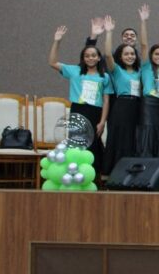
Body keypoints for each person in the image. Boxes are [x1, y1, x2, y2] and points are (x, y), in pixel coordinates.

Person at [48, 26, 112, 174]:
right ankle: (74, 173)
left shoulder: (105, 77)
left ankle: (93, 176)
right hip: (78, 109)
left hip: (96, 112)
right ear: (83, 58)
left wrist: (102, 122)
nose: (90, 58)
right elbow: (52, 62)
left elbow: (107, 101)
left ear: (98, 58)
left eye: (93, 55)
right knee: (77, 143)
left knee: (94, 144)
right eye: (87, 56)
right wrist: (57, 41)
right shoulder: (75, 71)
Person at [101, 15, 142, 175]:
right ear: (121, 56)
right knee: (118, 138)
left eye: (132, 54)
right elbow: (108, 55)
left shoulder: (139, 71)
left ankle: (129, 172)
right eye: (126, 54)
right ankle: (112, 172)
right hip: (121, 107)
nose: (130, 56)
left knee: (132, 139)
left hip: (136, 107)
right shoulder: (117, 70)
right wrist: (109, 32)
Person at [134, 5, 159, 157]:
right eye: (157, 54)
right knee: (148, 134)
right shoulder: (146, 67)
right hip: (148, 104)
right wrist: (143, 22)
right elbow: (143, 45)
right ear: (151, 55)